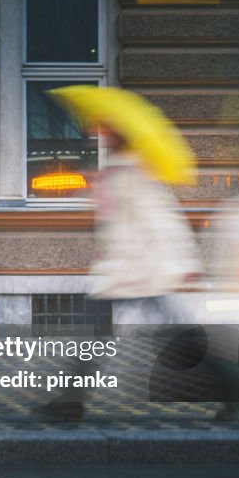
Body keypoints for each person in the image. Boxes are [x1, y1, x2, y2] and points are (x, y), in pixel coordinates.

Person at [47, 125, 201, 420]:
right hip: (120, 272)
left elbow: (163, 223)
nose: (100, 136)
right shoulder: (115, 174)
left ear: (120, 139)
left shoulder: (133, 176)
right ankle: (71, 401)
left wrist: (183, 264)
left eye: (108, 133)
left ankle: (231, 386)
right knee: (93, 335)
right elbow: (111, 222)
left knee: (175, 336)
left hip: (140, 272)